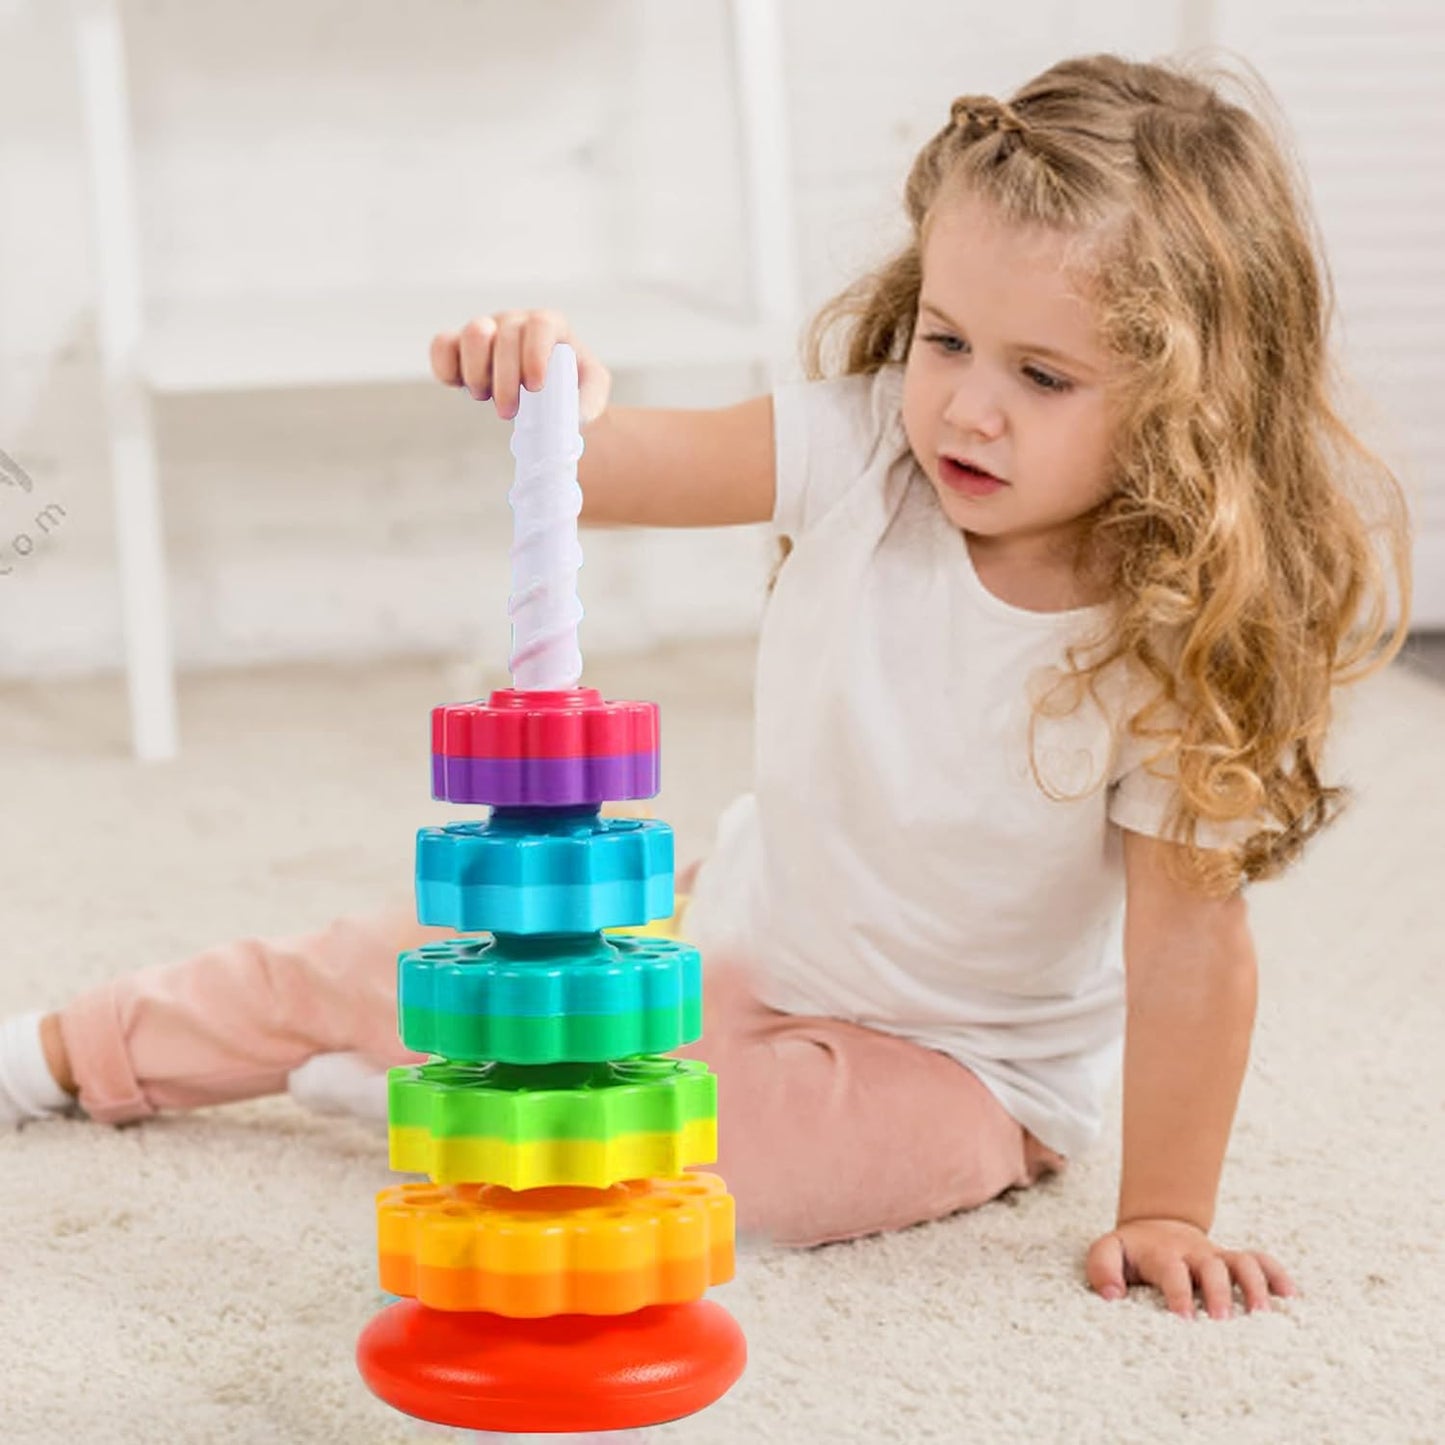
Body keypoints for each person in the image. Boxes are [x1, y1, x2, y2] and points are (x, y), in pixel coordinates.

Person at [0, 52, 1411, 1321]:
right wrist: (554, 393)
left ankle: (457, 1103)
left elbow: (1188, 949)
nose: (966, 404)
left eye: (1042, 375)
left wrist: (1165, 1210)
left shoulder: (1166, 642)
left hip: (960, 1069)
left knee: (755, 1165)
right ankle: (59, 1054)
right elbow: (603, 472)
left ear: (1189, 409)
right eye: (944, 338)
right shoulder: (862, 449)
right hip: (728, 935)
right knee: (383, 962)